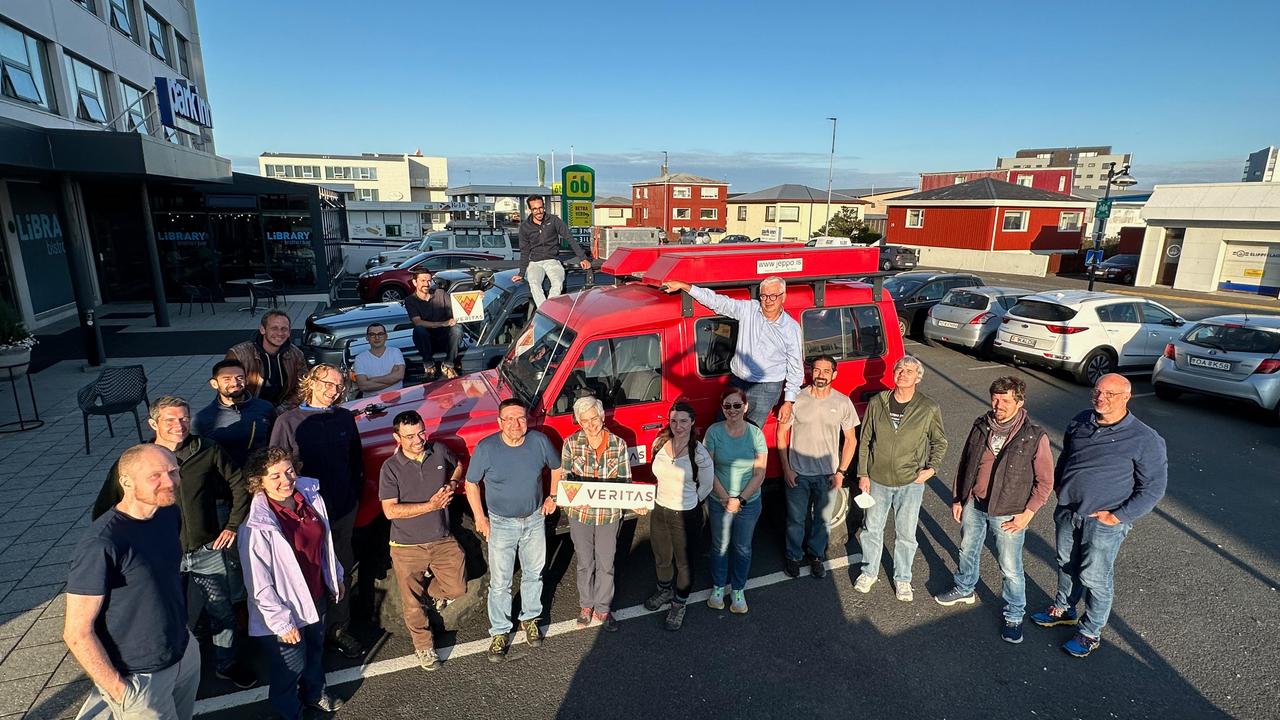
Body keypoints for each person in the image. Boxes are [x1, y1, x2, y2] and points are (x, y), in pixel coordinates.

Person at [89, 397, 254, 689]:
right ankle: (176, 668)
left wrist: (232, 525)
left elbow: (238, 485)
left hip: (206, 548)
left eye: (183, 419)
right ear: (153, 424)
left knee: (222, 611)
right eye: (169, 420)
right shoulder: (137, 459)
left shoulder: (207, 449)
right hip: (164, 554)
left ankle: (227, 664)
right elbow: (105, 509)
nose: (178, 425)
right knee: (167, 613)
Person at [1031, 373, 1167, 658]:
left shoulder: (1146, 439)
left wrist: (1117, 517)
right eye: (1098, 392)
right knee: (1066, 564)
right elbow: (1067, 455)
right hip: (1069, 510)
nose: (1101, 398)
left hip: (1104, 521)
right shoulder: (1081, 420)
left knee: (1095, 576)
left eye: (1111, 394)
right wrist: (1059, 484)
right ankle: (1064, 608)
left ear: (1126, 397)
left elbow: (1153, 489)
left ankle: (1090, 631)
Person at [65, 444, 201, 720]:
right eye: (156, 476)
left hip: (183, 652)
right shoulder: (102, 543)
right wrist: (118, 689)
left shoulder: (167, 514)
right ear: (126, 481)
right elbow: (76, 632)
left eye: (173, 472)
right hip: (140, 676)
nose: (170, 482)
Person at [933, 376, 1054, 644]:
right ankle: (965, 588)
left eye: (1005, 400)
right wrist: (958, 498)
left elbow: (1045, 481)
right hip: (975, 502)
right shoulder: (981, 424)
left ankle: (1014, 614)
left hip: (1009, 511)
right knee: (967, 548)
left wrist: (1028, 513)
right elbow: (965, 462)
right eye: (995, 398)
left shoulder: (1034, 435)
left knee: (1010, 566)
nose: (998, 404)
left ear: (1019, 401)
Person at [239, 447, 345, 720]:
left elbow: (325, 545)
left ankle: (314, 693)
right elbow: (258, 583)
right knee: (290, 666)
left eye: (289, 471)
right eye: (274, 475)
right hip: (286, 610)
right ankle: (289, 711)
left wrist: (337, 575)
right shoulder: (255, 526)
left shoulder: (308, 498)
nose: (285, 479)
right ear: (258, 482)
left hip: (316, 595)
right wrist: (281, 622)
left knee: (315, 651)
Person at [269, 364, 365, 658]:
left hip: (342, 508)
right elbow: (274, 469)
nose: (333, 391)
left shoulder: (344, 417)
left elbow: (356, 459)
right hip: (304, 514)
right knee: (305, 572)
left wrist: (353, 495)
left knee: (341, 568)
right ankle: (312, 630)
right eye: (327, 384)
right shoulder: (287, 422)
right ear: (310, 383)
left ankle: (339, 629)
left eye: (338, 387)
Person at [464, 398, 561, 662]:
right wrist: (480, 518)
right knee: (501, 582)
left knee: (533, 573)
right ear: (499, 422)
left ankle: (529, 618)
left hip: (534, 519)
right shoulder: (487, 448)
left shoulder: (539, 442)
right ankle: (499, 631)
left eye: (520, 418)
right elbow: (471, 484)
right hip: (501, 524)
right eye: (509, 419)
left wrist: (553, 496)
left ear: (527, 420)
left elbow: (557, 467)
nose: (516, 424)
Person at [854, 355, 948, 602]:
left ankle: (903, 578)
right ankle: (869, 572)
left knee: (906, 534)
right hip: (877, 479)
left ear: (918, 378)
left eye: (909, 370)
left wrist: (931, 469)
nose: (902, 373)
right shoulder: (878, 402)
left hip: (910, 482)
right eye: (899, 369)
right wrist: (863, 473)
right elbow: (865, 440)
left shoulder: (928, 407)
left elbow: (940, 441)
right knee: (871, 529)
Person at [378, 410, 467, 672]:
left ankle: (428, 591)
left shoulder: (438, 449)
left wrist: (452, 484)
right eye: (410, 436)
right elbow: (390, 511)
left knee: (458, 588)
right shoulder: (390, 468)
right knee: (412, 604)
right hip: (406, 546)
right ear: (397, 438)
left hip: (441, 538)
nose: (418, 440)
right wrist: (430, 506)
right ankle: (424, 647)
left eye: (420, 432)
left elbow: (459, 464)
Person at [659, 276, 803, 428]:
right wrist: (685, 286)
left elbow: (795, 367)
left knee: (750, 433)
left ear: (783, 297)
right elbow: (718, 302)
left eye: (773, 296)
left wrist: (789, 402)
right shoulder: (749, 309)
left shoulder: (791, 328)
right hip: (738, 381)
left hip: (767, 388)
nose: (768, 300)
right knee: (720, 427)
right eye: (764, 296)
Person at [777, 354, 859, 580]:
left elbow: (851, 440)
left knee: (822, 521)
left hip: (827, 475)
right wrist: (786, 469)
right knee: (796, 520)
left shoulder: (842, 402)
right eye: (816, 370)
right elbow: (781, 433)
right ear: (810, 372)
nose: (820, 375)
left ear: (834, 374)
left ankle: (816, 556)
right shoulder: (796, 399)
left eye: (825, 371)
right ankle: (793, 556)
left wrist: (841, 472)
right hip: (798, 474)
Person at [556, 396, 631, 632]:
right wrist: (573, 503)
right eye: (585, 420)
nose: (591, 424)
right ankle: (586, 605)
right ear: (578, 422)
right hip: (581, 514)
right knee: (585, 562)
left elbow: (625, 481)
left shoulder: (618, 444)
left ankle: (603, 607)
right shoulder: (570, 443)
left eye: (594, 418)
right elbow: (565, 479)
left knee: (606, 562)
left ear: (602, 416)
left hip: (608, 515)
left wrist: (634, 502)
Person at [643, 399, 714, 631]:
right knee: (662, 556)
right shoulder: (660, 443)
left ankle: (679, 603)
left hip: (685, 514)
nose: (678, 425)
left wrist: (690, 502)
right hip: (660, 509)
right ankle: (664, 590)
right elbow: (657, 474)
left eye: (684, 421)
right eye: (674, 420)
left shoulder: (699, 453)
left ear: (692, 422)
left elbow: (706, 486)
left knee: (684, 563)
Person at [703, 386, 768, 614]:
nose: (732, 410)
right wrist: (725, 498)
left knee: (742, 547)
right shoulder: (713, 432)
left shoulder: (756, 434)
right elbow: (707, 468)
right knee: (719, 546)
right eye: (727, 406)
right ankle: (719, 587)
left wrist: (739, 499)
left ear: (746, 407)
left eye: (737, 405)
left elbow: (760, 473)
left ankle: (738, 589)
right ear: (722, 408)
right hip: (719, 500)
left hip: (748, 501)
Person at [192, 359, 275, 466]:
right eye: (227, 379)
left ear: (246, 380)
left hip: (260, 473)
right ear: (214, 384)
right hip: (224, 479)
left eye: (239, 378)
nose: (234, 383)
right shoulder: (202, 419)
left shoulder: (264, 408)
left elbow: (274, 442)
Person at [512, 195, 590, 307]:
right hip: (535, 263)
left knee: (557, 282)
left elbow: (569, 238)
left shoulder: (554, 220)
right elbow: (524, 251)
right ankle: (544, 310)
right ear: (530, 210)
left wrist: (583, 258)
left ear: (543, 207)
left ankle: (548, 309)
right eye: (534, 209)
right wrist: (521, 273)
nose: (538, 211)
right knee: (534, 284)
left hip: (552, 261)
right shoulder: (525, 227)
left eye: (540, 208)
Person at [225, 309, 308, 407]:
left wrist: (282, 410)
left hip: (282, 410)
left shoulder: (296, 354)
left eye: (284, 329)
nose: (280, 333)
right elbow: (229, 388)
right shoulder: (238, 354)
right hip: (248, 409)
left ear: (289, 332)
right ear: (262, 329)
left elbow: (303, 387)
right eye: (274, 328)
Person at [403, 269, 460, 379]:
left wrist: (478, 295)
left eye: (429, 281)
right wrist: (444, 323)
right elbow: (417, 322)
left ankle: (448, 365)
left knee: (457, 329)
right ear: (415, 282)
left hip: (445, 339)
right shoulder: (410, 300)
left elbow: (459, 308)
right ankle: (429, 366)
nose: (427, 284)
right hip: (426, 342)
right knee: (419, 329)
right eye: (423, 281)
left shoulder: (440, 293)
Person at [352, 322, 406, 394]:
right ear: (367, 338)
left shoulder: (395, 352)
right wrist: (392, 379)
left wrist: (372, 380)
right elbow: (363, 386)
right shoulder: (360, 358)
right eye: (372, 334)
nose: (377, 337)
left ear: (386, 336)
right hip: (371, 402)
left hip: (397, 398)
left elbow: (399, 376)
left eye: (380, 334)